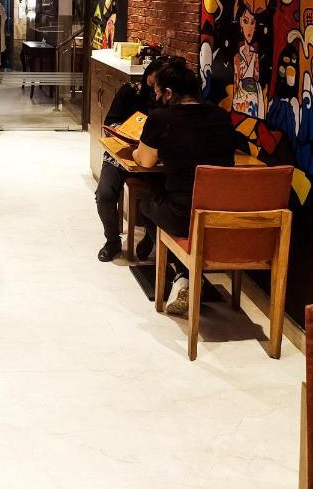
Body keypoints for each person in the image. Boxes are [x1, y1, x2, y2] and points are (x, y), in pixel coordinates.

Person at [132, 61, 235, 315]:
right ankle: (189, 276)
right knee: (165, 201)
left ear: (168, 93)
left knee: (146, 206)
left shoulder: (161, 118)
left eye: (158, 93)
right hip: (222, 215)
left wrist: (135, 151)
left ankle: (181, 273)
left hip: (183, 217)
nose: (157, 99)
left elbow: (145, 161)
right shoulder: (222, 117)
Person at [95, 56, 171, 262]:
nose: (153, 90)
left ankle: (150, 236)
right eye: (149, 83)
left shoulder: (170, 103)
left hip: (153, 162)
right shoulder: (129, 91)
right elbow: (110, 122)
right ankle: (112, 241)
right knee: (104, 194)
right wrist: (124, 132)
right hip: (120, 154)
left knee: (158, 196)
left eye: (157, 87)